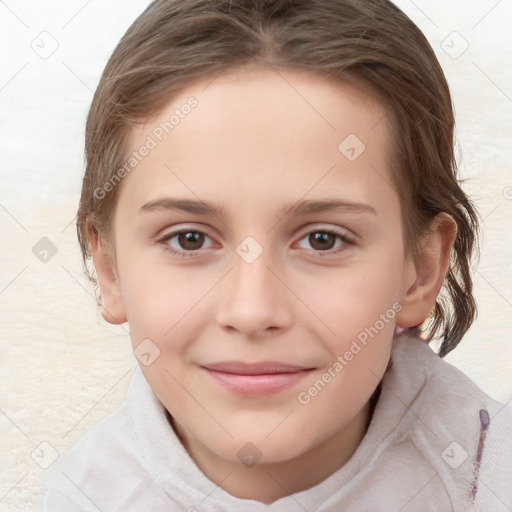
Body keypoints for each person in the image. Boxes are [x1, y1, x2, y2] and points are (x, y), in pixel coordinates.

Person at [42, 0, 511, 510]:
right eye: (189, 239)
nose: (252, 311)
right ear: (109, 271)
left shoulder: (489, 478)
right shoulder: (82, 496)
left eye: (323, 239)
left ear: (420, 271)